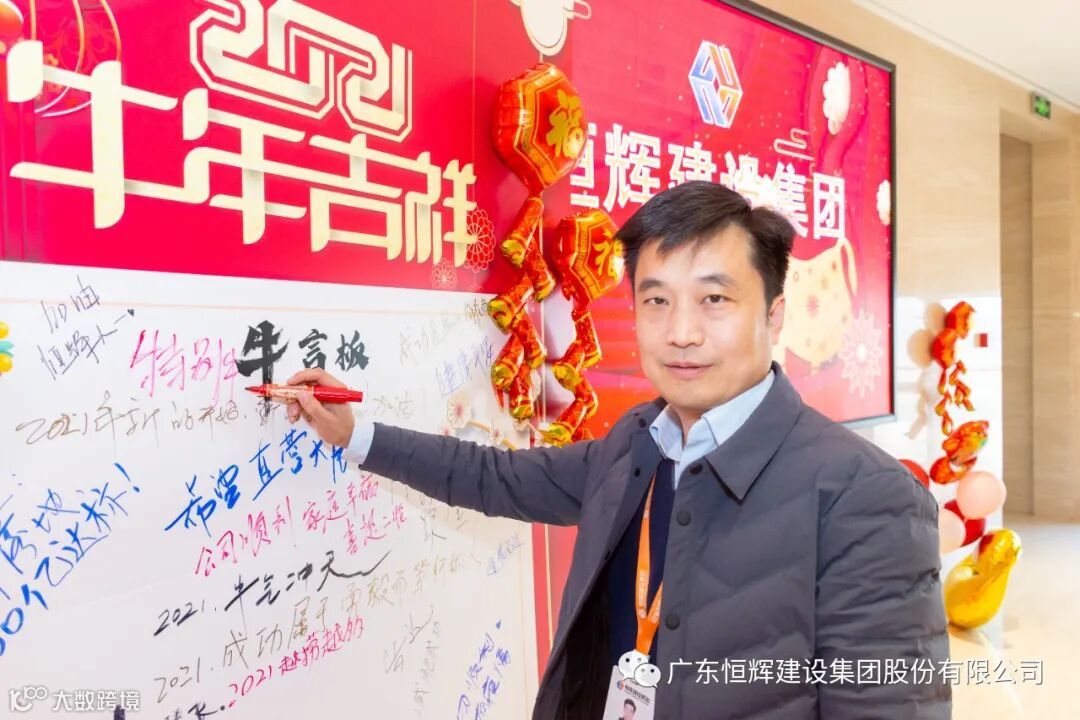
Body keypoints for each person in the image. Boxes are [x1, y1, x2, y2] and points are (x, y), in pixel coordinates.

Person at [285, 181, 951, 719]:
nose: (681, 332)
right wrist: (356, 434)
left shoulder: (866, 496)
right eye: (656, 300)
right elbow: (496, 477)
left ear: (774, 313)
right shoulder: (637, 443)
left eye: (714, 299)